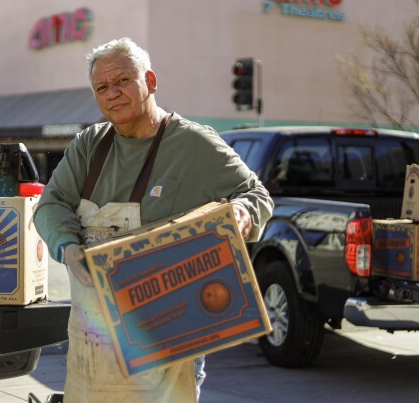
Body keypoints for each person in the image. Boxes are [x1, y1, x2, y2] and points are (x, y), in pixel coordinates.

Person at [33, 37, 273, 403]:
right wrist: (66, 245)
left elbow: (256, 195)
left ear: (151, 81)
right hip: (91, 346)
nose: (112, 93)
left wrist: (242, 213)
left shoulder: (194, 144)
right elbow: (51, 205)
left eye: (122, 81)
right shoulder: (89, 146)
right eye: (102, 87)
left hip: (167, 348)